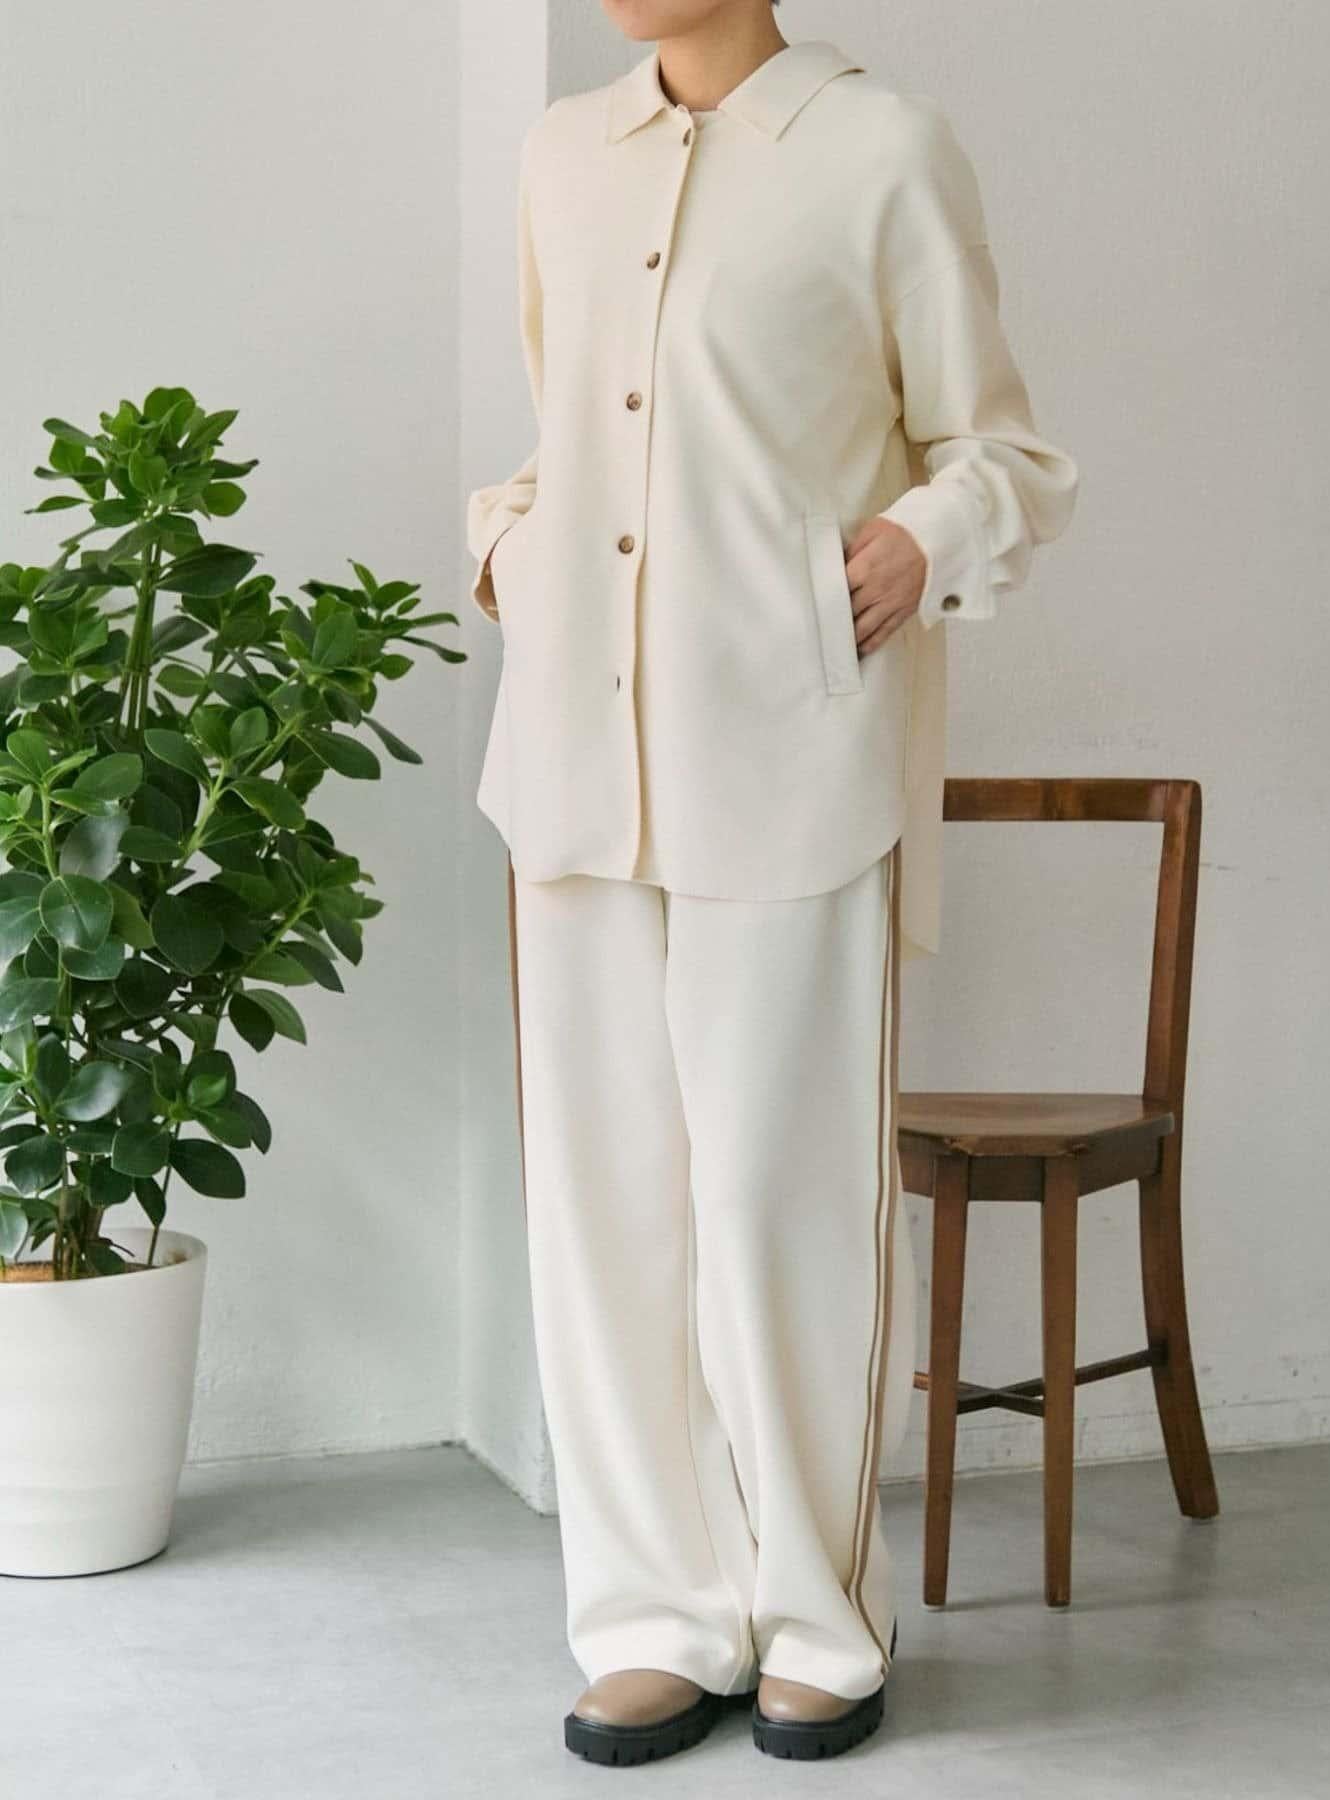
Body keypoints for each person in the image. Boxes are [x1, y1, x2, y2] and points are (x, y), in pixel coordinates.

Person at [465, 0, 1079, 1766]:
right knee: (604, 1219)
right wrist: (510, 545)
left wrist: (917, 541)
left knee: (774, 1205)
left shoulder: (880, 151)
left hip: (789, 764)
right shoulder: (562, 156)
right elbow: (568, 433)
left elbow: (1007, 456)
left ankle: (817, 1613)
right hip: (573, 771)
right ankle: (654, 1617)